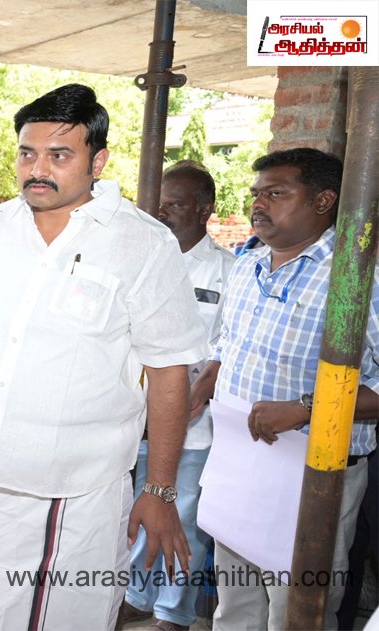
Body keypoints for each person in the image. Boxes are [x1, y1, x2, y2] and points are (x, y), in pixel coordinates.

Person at [0, 83, 208, 630]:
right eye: (27, 153)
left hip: (69, 498)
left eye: (59, 155)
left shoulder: (142, 244)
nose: (37, 169)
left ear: (98, 161)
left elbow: (169, 372)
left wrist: (160, 489)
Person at [190, 148, 379, 630]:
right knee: (235, 607)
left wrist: (307, 408)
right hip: (240, 463)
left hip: (313, 475)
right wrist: (209, 377)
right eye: (256, 193)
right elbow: (228, 342)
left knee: (297, 611)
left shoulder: (359, 276)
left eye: (276, 193)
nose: (259, 204)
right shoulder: (248, 265)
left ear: (323, 201)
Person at [121, 161, 236, 631]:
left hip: (192, 421)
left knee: (183, 515)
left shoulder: (228, 271)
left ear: (204, 209)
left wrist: (197, 393)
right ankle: (137, 596)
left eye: (175, 204)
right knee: (138, 511)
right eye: (159, 203)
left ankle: (173, 612)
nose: (162, 211)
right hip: (134, 416)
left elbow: (228, 344)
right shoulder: (142, 263)